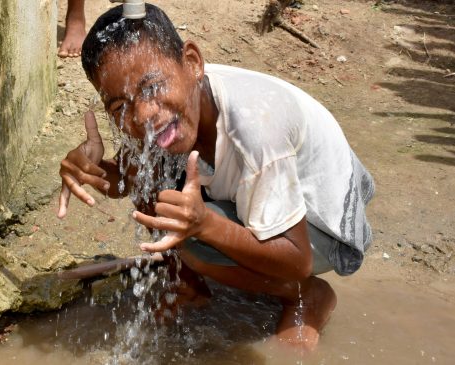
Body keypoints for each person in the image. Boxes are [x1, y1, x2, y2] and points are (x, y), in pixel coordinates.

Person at [57, 4, 374, 352]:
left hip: (323, 227)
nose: (143, 114)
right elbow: (130, 182)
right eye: (120, 107)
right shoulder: (170, 104)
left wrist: (207, 224)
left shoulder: (256, 127)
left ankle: (306, 296)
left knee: (194, 241)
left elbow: (297, 262)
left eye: (151, 87)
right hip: (270, 195)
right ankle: (189, 286)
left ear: (192, 62)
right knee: (159, 193)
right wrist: (92, 169)